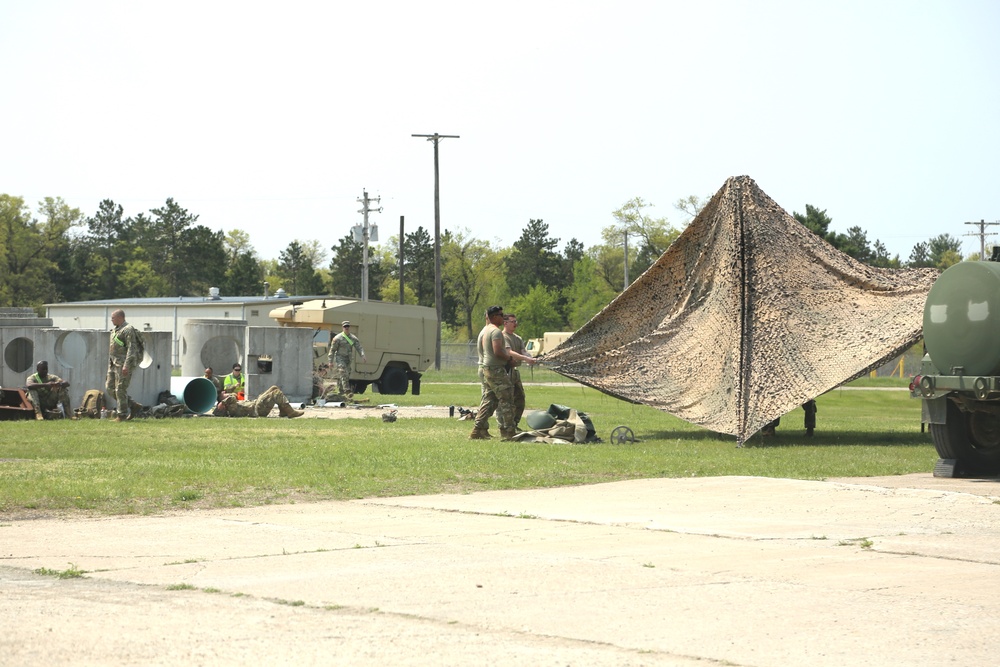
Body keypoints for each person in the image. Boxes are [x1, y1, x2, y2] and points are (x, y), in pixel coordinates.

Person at [471, 305, 516, 440]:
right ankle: (509, 432)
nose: (504, 318)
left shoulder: (486, 330)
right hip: (495, 369)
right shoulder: (496, 332)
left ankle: (477, 430)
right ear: (494, 317)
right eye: (501, 315)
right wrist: (509, 359)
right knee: (507, 398)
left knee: (490, 400)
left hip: (487, 368)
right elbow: (497, 351)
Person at [107, 308, 144, 422]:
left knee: (120, 389)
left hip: (123, 364)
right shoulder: (115, 330)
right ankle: (133, 405)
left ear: (120, 317)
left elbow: (131, 349)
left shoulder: (128, 330)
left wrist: (126, 365)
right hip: (113, 364)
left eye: (113, 317)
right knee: (110, 388)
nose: (111, 319)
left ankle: (121, 415)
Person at [502, 313, 538, 430]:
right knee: (508, 400)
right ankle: (507, 426)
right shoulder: (503, 337)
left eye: (516, 322)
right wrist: (525, 358)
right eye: (512, 322)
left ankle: (515, 424)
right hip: (505, 371)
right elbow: (509, 352)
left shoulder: (518, 338)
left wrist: (530, 357)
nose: (515, 324)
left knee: (520, 398)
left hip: (515, 371)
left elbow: (523, 350)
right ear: (505, 323)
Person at [213, 385, 304, 418]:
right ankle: (290, 412)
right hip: (257, 409)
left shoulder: (230, 405)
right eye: (223, 394)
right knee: (276, 393)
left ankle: (283, 412)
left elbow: (233, 396)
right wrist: (223, 402)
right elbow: (232, 398)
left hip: (256, 404)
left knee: (274, 388)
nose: (225, 393)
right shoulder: (230, 408)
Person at [328, 321, 367, 396]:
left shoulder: (353, 338)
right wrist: (330, 361)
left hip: (348, 359)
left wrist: (363, 355)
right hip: (340, 358)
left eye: (347, 326)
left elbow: (359, 347)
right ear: (342, 327)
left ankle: (341, 392)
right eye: (345, 327)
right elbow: (332, 350)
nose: (346, 328)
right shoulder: (337, 338)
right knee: (343, 372)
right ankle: (347, 390)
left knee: (345, 375)